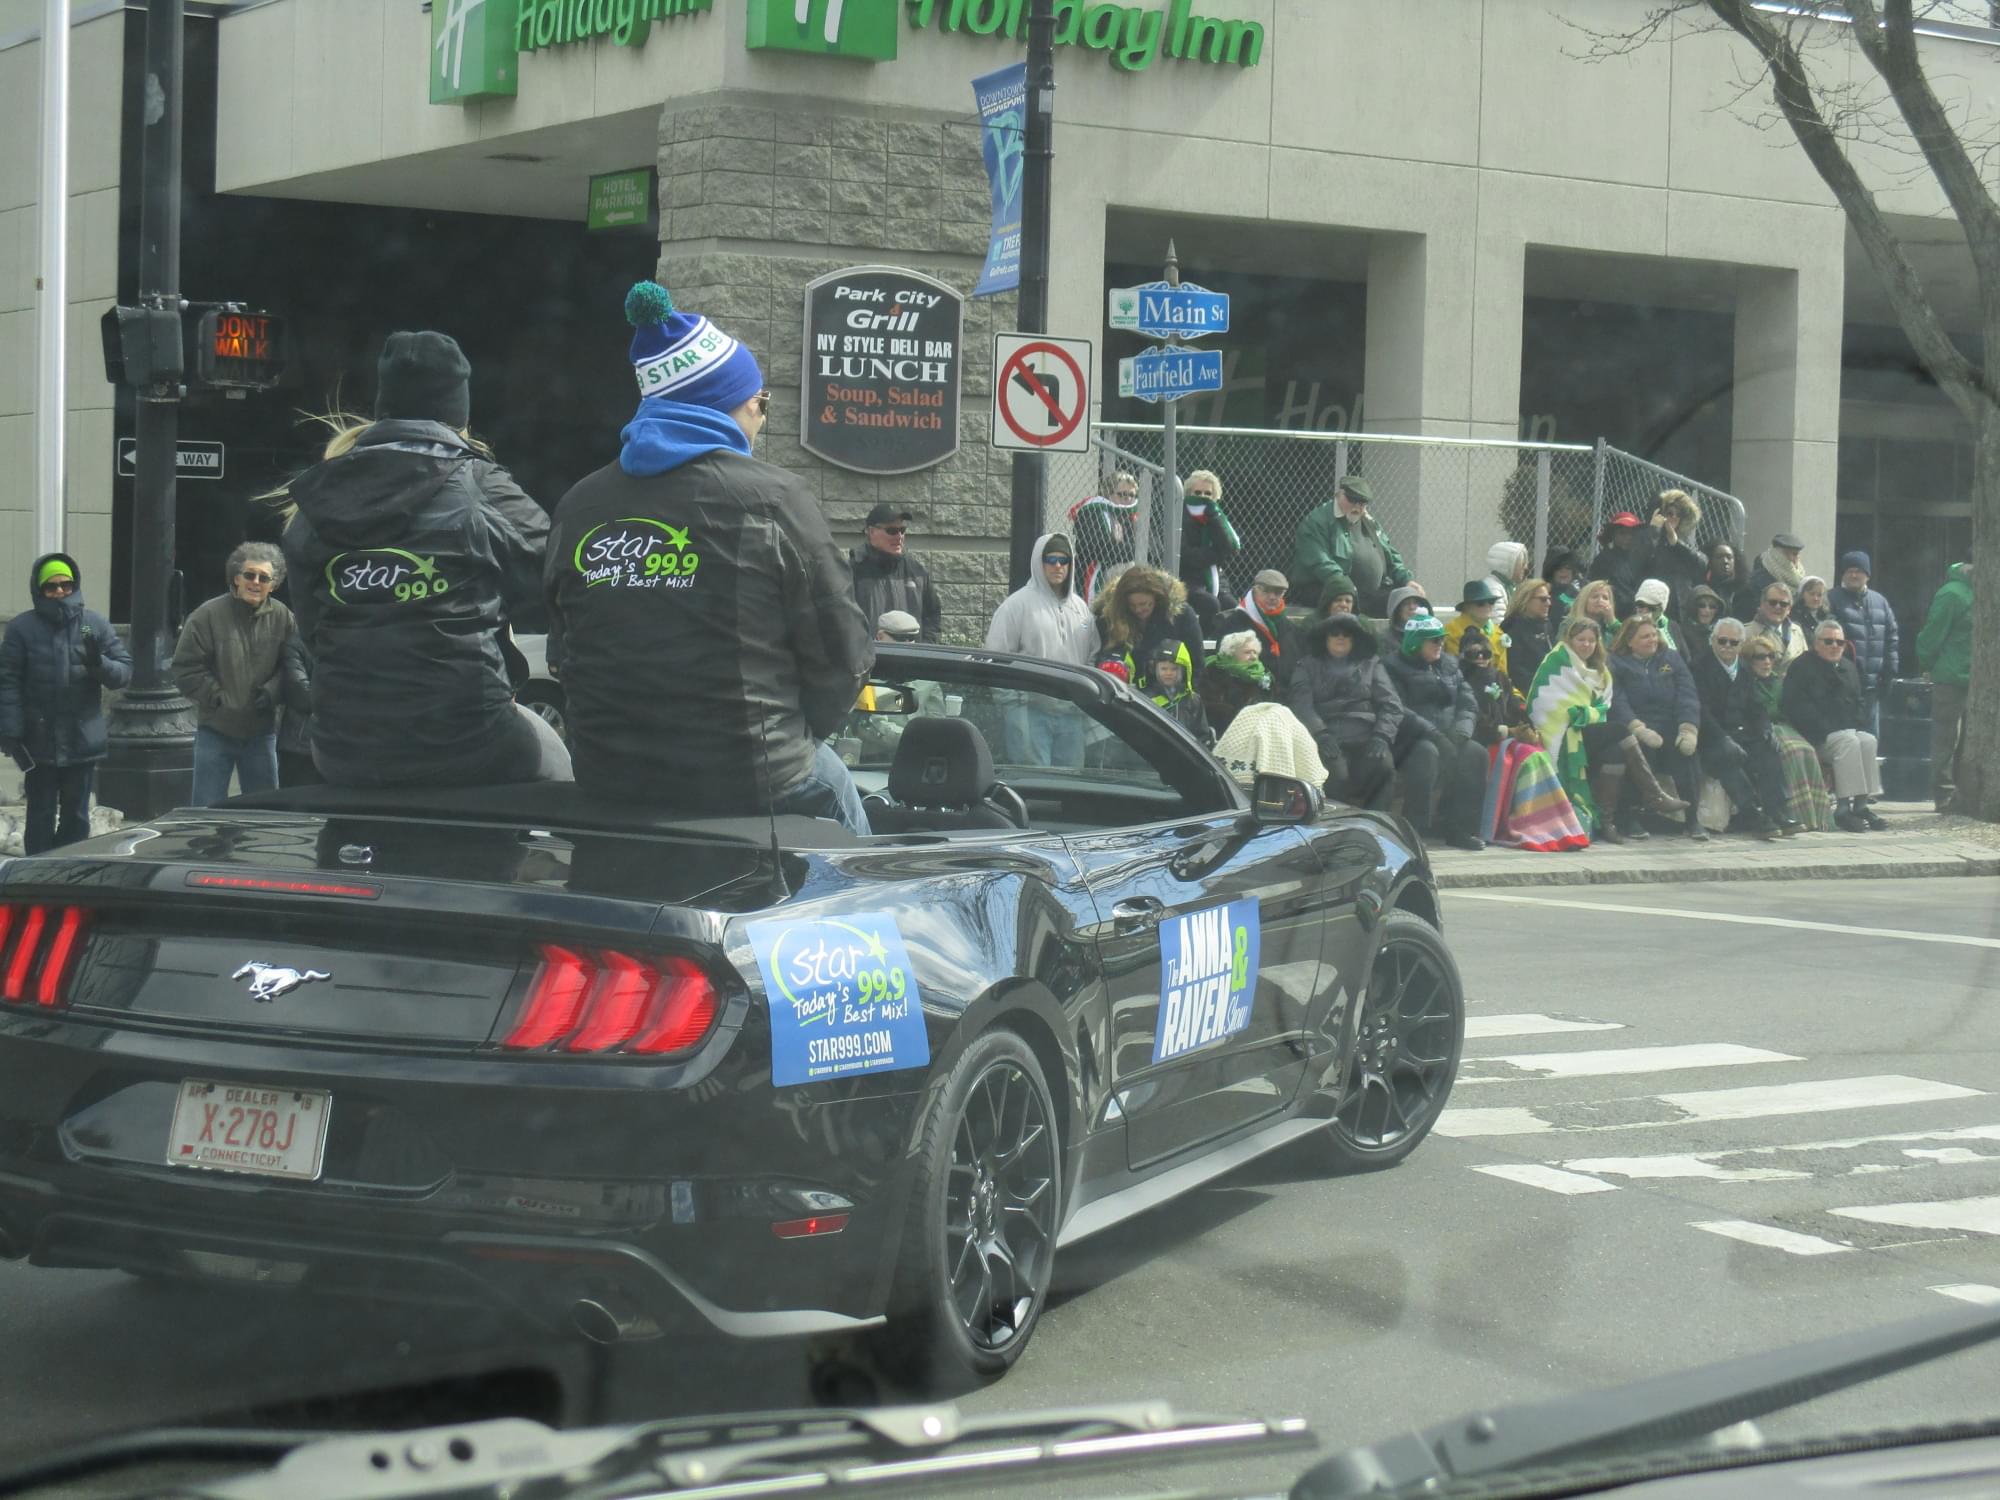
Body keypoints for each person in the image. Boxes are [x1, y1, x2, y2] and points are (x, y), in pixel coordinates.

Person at [545, 282, 871, 831]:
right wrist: (795, 733)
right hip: (751, 777)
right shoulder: (774, 499)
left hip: (613, 778)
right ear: (727, 403)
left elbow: (564, 648)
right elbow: (842, 653)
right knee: (839, 801)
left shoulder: (581, 504)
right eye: (760, 404)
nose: (762, 420)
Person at [284, 331, 568, 788]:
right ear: (459, 414)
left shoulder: (318, 497)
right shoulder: (479, 485)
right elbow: (561, 575)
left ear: (384, 406)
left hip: (344, 746)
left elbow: (313, 629)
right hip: (468, 737)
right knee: (560, 767)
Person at [0, 553, 132, 852]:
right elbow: (7, 682)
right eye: (52, 586)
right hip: (38, 741)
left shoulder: (92, 624)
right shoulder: (22, 629)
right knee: (40, 811)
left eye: (66, 585)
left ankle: (68, 869)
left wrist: (99, 663)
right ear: (39, 590)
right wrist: (10, 729)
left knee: (76, 814)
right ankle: (36, 874)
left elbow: (122, 672)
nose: (60, 592)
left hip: (81, 740)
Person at [1528, 613, 1685, 845]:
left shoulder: (1600, 670)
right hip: (1563, 733)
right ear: (1569, 640)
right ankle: (1654, 794)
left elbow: (1602, 706)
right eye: (1581, 639)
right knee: (1621, 731)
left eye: (1591, 640)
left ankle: (1607, 823)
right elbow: (1541, 702)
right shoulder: (1556, 662)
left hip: (1591, 728)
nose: (1587, 645)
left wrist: (1590, 713)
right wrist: (1581, 713)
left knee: (1616, 752)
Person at [172, 542, 295, 806]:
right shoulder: (206, 615)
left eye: (264, 578)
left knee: (264, 815)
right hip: (214, 732)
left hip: (262, 734)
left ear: (273, 585)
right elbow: (185, 667)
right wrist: (216, 696)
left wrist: (273, 692)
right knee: (206, 814)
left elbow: (295, 666)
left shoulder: (284, 617)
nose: (255, 582)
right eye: (249, 575)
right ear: (236, 578)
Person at [1459, 631, 1589, 852]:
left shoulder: (1499, 677)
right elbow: (1471, 719)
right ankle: (1526, 823)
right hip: (1485, 741)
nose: (1481, 658)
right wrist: (1508, 732)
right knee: (1528, 759)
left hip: (1509, 739)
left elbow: (1515, 708)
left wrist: (1528, 727)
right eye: (1474, 654)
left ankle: (1551, 823)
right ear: (1463, 656)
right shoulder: (1462, 679)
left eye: (1485, 653)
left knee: (1538, 752)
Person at [1384, 615, 1488, 851]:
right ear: (1414, 642)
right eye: (1432, 640)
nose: (1439, 644)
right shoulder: (1392, 666)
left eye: (1441, 639)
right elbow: (1398, 708)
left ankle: (1460, 830)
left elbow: (1468, 703)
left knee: (1475, 754)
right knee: (1426, 755)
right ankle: (1414, 831)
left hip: (1450, 733)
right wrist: (1436, 736)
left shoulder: (1450, 665)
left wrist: (1462, 731)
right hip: (1410, 738)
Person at [1285, 612, 1403, 809]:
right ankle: (1336, 829)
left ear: (1355, 639)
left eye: (1347, 634)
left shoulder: (1372, 664)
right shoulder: (1306, 665)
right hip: (1327, 738)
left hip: (1367, 737)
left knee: (1384, 768)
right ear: (1325, 638)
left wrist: (1382, 736)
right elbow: (1301, 705)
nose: (1341, 637)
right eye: (1335, 633)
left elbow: (1391, 704)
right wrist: (1320, 735)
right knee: (1335, 775)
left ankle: (1377, 825)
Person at [1692, 618, 1794, 840]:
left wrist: (1765, 728)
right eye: (1722, 641)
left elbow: (1755, 707)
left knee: (1769, 748)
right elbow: (1701, 710)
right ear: (1713, 641)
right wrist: (1722, 738)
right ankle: (1751, 814)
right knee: (1726, 756)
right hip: (1711, 736)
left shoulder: (1745, 669)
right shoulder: (1699, 667)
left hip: (1741, 732)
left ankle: (1776, 811)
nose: (1727, 646)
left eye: (1733, 642)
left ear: (1741, 645)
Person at [1783, 620, 1887, 832]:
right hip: (1815, 736)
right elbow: (1796, 707)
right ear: (1816, 643)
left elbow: (1859, 703)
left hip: (1845, 731)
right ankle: (1842, 808)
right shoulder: (1801, 667)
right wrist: (1830, 729)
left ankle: (1861, 805)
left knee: (1868, 740)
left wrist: (1855, 723)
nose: (1834, 646)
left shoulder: (1848, 667)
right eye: (1828, 641)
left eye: (1840, 642)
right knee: (1847, 741)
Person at [1608, 616, 1705, 840]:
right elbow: (1617, 701)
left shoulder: (1671, 658)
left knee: (1686, 754)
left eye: (1653, 634)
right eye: (1644, 636)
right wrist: (1637, 728)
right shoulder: (1616, 663)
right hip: (1637, 725)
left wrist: (1688, 728)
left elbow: (1687, 695)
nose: (1651, 640)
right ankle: (1630, 817)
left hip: (1670, 723)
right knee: (1637, 751)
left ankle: (1692, 819)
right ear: (1630, 641)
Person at [1743, 632, 1835, 832]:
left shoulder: (1779, 682)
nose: (1767, 662)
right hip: (1760, 728)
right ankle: (1790, 812)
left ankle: (1817, 817)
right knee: (1790, 752)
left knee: (1807, 751)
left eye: (1770, 656)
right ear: (1749, 660)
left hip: (1785, 726)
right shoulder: (1745, 682)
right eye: (1760, 657)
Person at [1289, 475, 1412, 614]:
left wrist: (1406, 580)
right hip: (1327, 590)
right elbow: (1320, 562)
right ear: (1339, 495)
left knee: (1406, 602)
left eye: (1362, 503)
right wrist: (1346, 586)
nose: (1357, 507)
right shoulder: (1317, 522)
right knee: (1352, 602)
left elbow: (1390, 555)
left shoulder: (1370, 522)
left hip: (1368, 594)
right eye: (1352, 500)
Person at [1915, 559, 1973, 812]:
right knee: (1947, 739)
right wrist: (1927, 664)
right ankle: (1945, 795)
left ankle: (1968, 794)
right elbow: (1932, 635)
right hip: (1951, 678)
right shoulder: (1952, 594)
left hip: (1980, 681)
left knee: (1971, 740)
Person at [1094, 564, 1205, 694]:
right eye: (1132, 605)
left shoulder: (1181, 615)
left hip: (1170, 696)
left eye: (1145, 604)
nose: (1138, 610)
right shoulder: (1109, 618)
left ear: (1157, 598)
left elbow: (1197, 662)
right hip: (1122, 694)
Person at [848, 504, 942, 644]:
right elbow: (840, 621)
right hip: (869, 662)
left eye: (902, 530)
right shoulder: (851, 572)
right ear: (871, 532)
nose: (899, 537)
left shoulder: (917, 572)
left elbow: (932, 616)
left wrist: (925, 648)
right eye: (891, 531)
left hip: (912, 661)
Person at [1829, 551, 1899, 737]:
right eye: (1849, 570)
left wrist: (1890, 671)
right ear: (1842, 573)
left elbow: (1892, 639)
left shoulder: (1880, 601)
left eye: (1859, 570)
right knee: (1845, 741)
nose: (1854, 575)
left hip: (1872, 687)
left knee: (1870, 742)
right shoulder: (1831, 599)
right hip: (1841, 688)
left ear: (1867, 574)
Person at [1213, 568, 1298, 692]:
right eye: (1266, 591)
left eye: (1278, 592)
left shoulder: (1291, 629)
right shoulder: (1233, 624)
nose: (1272, 597)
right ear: (1255, 590)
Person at [1178, 468, 1242, 631]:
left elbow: (1230, 547)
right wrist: (1216, 555)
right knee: (1210, 604)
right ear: (1188, 493)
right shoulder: (1179, 515)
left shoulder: (1216, 516)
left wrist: (1213, 517)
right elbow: (1185, 555)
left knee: (1232, 607)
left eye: (1208, 494)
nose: (1202, 497)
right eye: (1197, 492)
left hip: (1215, 578)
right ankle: (1202, 643)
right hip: (1186, 578)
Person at [1070, 469, 1140, 602]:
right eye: (1123, 494)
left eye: (1132, 495)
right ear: (1108, 493)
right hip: (1094, 569)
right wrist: (1126, 549)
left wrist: (1122, 548)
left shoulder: (1131, 517)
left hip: (1118, 571)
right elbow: (1097, 548)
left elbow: (1145, 548)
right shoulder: (1092, 511)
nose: (1128, 499)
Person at [1645, 489, 1709, 617]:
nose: (1673, 517)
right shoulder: (1648, 537)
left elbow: (1702, 564)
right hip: (1655, 608)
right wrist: (1654, 531)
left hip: (1681, 612)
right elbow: (1641, 560)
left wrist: (1676, 543)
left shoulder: (1683, 544)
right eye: (1669, 513)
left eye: (1678, 514)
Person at [1201, 630, 1275, 737]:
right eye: (1247, 652)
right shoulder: (1212, 673)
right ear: (1231, 653)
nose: (1253, 657)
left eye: (1255, 652)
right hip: (1222, 736)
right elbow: (1209, 710)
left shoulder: (1265, 676)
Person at [276, 630, 321, 788]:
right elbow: (302, 695)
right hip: (299, 746)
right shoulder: (297, 643)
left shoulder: (348, 642)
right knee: (294, 809)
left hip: (335, 747)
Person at [1146, 641, 1213, 747]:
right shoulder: (1147, 699)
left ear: (1184, 671)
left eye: (1174, 669)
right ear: (1154, 670)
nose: (1168, 673)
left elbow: (1202, 733)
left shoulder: (1192, 699)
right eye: (1163, 668)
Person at [1442, 578, 1511, 678]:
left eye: (1491, 602)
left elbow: (1503, 674)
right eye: (1480, 603)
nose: (1487, 606)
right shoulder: (1452, 631)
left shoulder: (1498, 633)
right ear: (1466, 607)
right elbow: (1459, 669)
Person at [1587, 511, 1652, 616]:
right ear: (1613, 535)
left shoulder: (1642, 558)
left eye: (1631, 534)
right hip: (1613, 614)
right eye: (1622, 533)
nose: (1628, 538)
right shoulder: (1604, 559)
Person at [1736, 531, 1806, 621]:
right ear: (1776, 554)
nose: (1792, 559)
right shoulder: (1755, 582)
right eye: (1787, 554)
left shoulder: (1802, 581)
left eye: (1795, 554)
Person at [1742, 580, 1807, 671]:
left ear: (1789, 609)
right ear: (1762, 604)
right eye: (1773, 602)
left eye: (1783, 604)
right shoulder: (1746, 633)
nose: (1777, 607)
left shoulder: (1797, 631)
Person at [1628, 578, 1681, 656]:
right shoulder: (1629, 627)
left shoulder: (1673, 626)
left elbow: (1685, 659)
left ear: (1661, 609)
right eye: (1641, 604)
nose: (1645, 610)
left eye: (1651, 608)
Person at [1683, 584, 1727, 664]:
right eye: (1701, 605)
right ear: (1693, 607)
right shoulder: (1682, 631)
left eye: (1712, 606)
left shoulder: (1721, 632)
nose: (1707, 610)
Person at [1542, 548, 1585, 626]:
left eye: (1568, 567)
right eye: (1558, 568)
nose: (1563, 571)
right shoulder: (1544, 591)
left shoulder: (1583, 588)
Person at [1384, 583, 1433, 649]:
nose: (1412, 607)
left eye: (1415, 603)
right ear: (1397, 609)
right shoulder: (1386, 639)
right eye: (1406, 604)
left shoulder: (1431, 634)